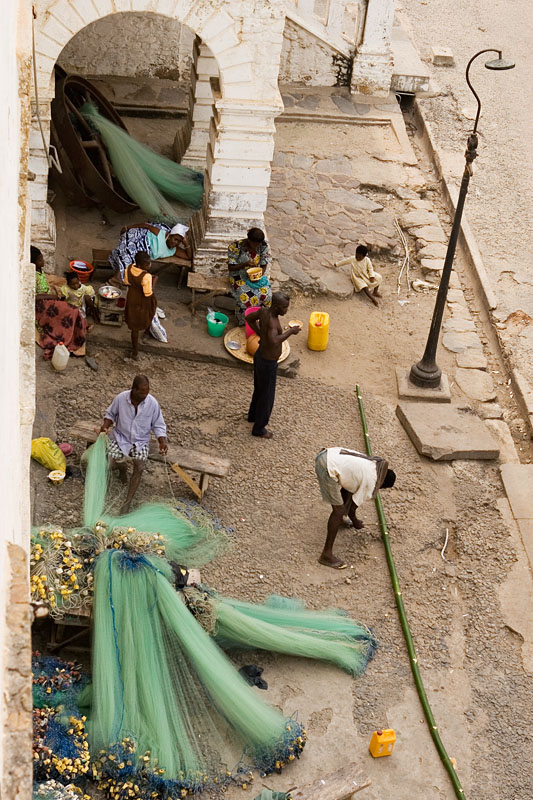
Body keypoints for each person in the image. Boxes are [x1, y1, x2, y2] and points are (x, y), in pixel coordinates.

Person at [315, 447, 396, 569]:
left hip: (327, 454)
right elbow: (352, 508)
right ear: (382, 485)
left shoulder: (374, 465)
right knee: (339, 511)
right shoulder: (371, 482)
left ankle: (340, 521)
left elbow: (349, 490)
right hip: (326, 466)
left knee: (345, 497)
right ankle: (326, 555)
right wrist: (356, 522)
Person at [100, 375, 168, 514]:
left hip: (140, 442)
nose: (145, 395)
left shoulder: (152, 403)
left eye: (147, 392)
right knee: (108, 463)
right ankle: (121, 466)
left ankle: (128, 501)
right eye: (142, 392)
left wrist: (162, 441)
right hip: (120, 437)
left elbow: (158, 425)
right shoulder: (121, 398)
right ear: (134, 390)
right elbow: (110, 414)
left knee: (140, 466)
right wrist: (105, 427)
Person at [245, 293, 300, 439]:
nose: (286, 310)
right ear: (276, 307)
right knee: (267, 396)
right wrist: (291, 331)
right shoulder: (272, 322)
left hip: (259, 356)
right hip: (268, 362)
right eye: (284, 307)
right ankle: (259, 428)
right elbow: (274, 340)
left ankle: (252, 416)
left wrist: (259, 333)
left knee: (259, 389)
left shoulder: (263, 312)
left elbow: (249, 318)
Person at [33, 247, 88, 359]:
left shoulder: (40, 270)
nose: (43, 261)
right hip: (41, 305)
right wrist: (53, 297)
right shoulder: (33, 276)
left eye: (42, 257)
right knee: (72, 310)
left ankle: (80, 324)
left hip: (49, 298)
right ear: (32, 263)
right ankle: (78, 329)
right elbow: (34, 297)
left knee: (66, 301)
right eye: (39, 259)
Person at [109, 222, 191, 283]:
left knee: (135, 258)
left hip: (144, 251)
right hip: (139, 238)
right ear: (170, 236)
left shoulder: (174, 250)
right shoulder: (160, 233)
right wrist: (127, 227)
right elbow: (145, 225)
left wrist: (186, 243)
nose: (176, 243)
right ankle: (116, 279)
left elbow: (188, 256)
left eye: (179, 241)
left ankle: (118, 278)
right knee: (130, 253)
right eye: (175, 239)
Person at [228, 228, 272, 324]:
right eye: (255, 244)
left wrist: (259, 275)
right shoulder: (235, 247)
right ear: (249, 240)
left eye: (259, 244)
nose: (257, 247)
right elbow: (231, 267)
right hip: (238, 275)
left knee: (267, 295)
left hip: (255, 276)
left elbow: (264, 264)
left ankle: (261, 319)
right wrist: (245, 264)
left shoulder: (263, 246)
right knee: (246, 297)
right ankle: (244, 321)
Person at [124, 251, 158, 360]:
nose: (149, 265)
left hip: (131, 297)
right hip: (142, 300)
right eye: (147, 264)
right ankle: (146, 333)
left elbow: (127, 282)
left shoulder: (129, 268)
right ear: (140, 265)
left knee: (134, 325)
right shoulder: (146, 276)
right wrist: (154, 281)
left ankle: (134, 351)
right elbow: (148, 293)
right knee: (148, 314)